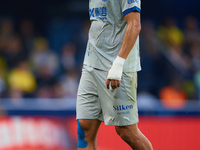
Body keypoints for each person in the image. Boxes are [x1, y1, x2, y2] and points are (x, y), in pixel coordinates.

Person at [76, 0, 153, 149]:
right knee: (85, 129)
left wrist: (118, 65)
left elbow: (135, 25)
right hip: (91, 64)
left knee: (127, 132)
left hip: (117, 67)